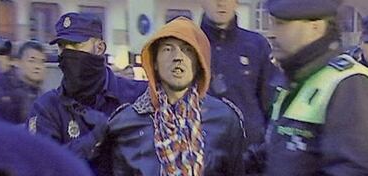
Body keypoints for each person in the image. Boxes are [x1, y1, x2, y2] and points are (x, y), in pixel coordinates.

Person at [0, 1, 93, 175]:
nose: (37, 67)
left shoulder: (46, 161)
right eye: (64, 47)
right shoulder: (4, 87)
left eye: (41, 61)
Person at [109, 17, 245, 176]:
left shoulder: (225, 119)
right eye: (168, 49)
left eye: (187, 49)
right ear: (154, 62)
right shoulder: (125, 123)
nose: (177, 57)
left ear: (200, 62)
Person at [26, 12, 147, 175]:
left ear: (99, 48)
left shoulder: (137, 95)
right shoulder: (46, 107)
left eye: (75, 45)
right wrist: (93, 139)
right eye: (62, 46)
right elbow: (40, 165)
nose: (67, 54)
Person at [265, 0, 368, 175]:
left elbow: (351, 168)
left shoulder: (347, 81)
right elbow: (275, 152)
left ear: (315, 27)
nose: (272, 33)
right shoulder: (296, 78)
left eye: (281, 24)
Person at [199, 1, 280, 172]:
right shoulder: (187, 46)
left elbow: (271, 104)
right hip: (201, 158)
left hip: (250, 159)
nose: (221, 3)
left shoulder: (257, 45)